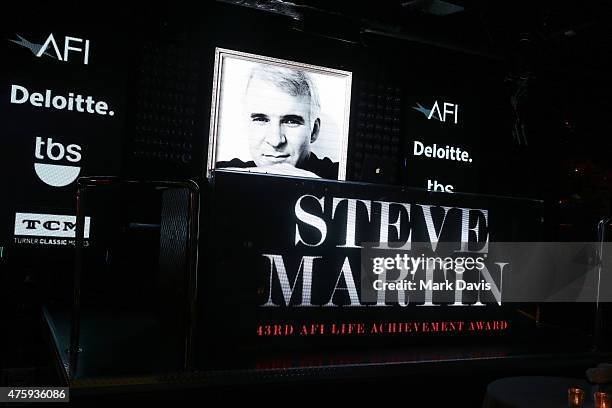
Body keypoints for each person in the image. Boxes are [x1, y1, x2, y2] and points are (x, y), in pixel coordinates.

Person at [216, 64, 338, 179]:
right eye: (261, 119)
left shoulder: (341, 175)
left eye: (291, 121)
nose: (275, 141)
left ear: (314, 131)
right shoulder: (217, 173)